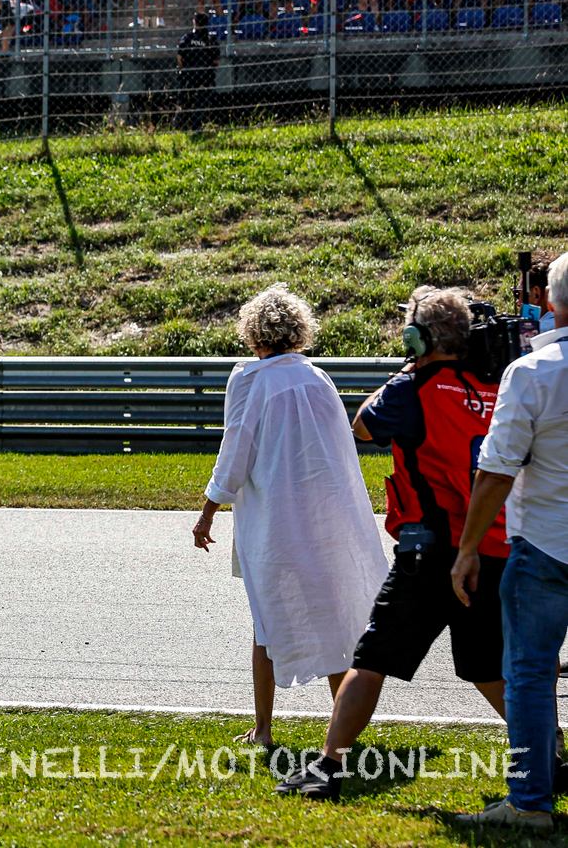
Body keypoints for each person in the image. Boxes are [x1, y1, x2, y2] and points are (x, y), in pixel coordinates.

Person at [277, 288, 506, 801]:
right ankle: (545, 753)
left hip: (430, 548)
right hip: (487, 544)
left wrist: (405, 370)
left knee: (372, 657)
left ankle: (328, 767)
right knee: (488, 667)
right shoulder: (490, 386)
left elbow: (363, 426)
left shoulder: (412, 387)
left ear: (417, 337)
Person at [192, 285, 386, 750]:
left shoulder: (249, 379)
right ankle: (344, 733)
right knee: (334, 618)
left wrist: (208, 512)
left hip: (275, 523)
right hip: (325, 518)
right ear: (298, 330)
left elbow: (234, 452)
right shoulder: (317, 377)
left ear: (252, 332)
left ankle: (263, 729)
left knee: (267, 621)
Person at [453, 255, 568, 831]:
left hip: (545, 541)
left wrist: (470, 546)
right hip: (545, 540)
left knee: (528, 671)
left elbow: (496, 469)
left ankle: (529, 802)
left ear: (550, 303)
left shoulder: (531, 371)